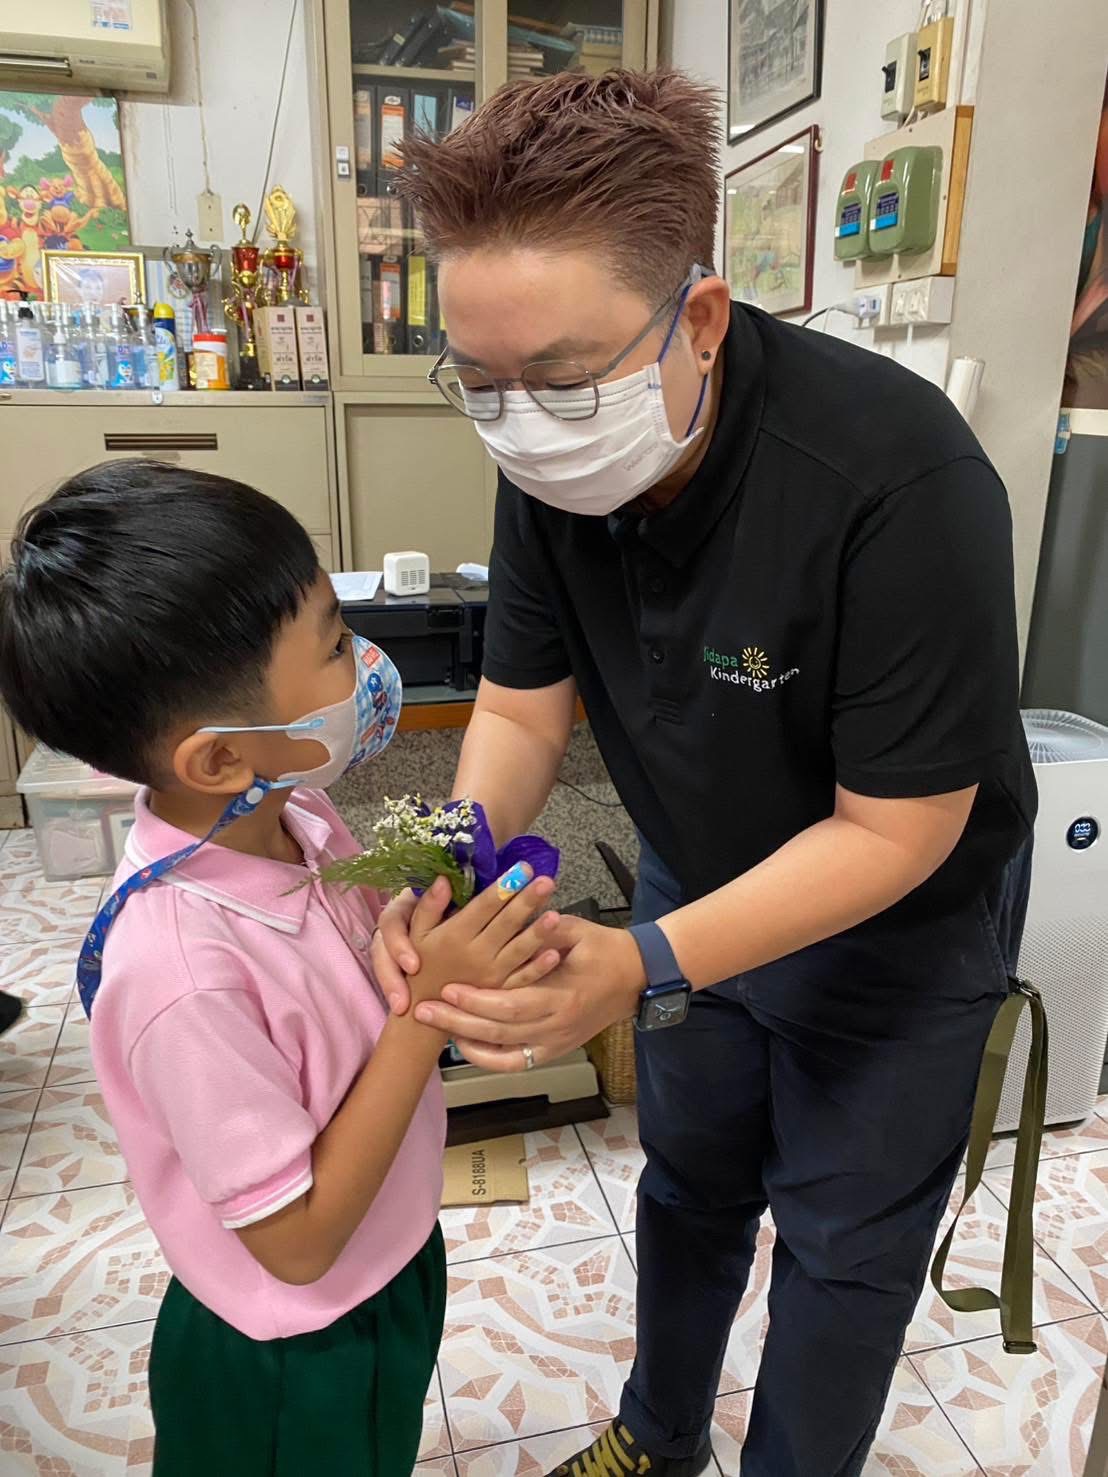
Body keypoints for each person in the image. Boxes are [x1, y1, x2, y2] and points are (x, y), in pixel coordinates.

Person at [373, 70, 1038, 1477]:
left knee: (844, 1249)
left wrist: (637, 963)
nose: (520, 420)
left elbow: (897, 833)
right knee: (689, 1183)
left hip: (896, 926)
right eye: (479, 384)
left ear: (701, 318)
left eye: (561, 380)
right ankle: (657, 1434)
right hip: (693, 867)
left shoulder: (895, 480)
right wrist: (441, 858)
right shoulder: (551, 456)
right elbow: (519, 711)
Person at [0, 459, 566, 1475]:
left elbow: (345, 976)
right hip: (291, 1347)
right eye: (337, 645)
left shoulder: (294, 810)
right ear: (220, 758)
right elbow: (297, 1242)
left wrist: (412, 927)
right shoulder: (180, 973)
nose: (367, 661)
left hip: (386, 1256)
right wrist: (423, 1014)